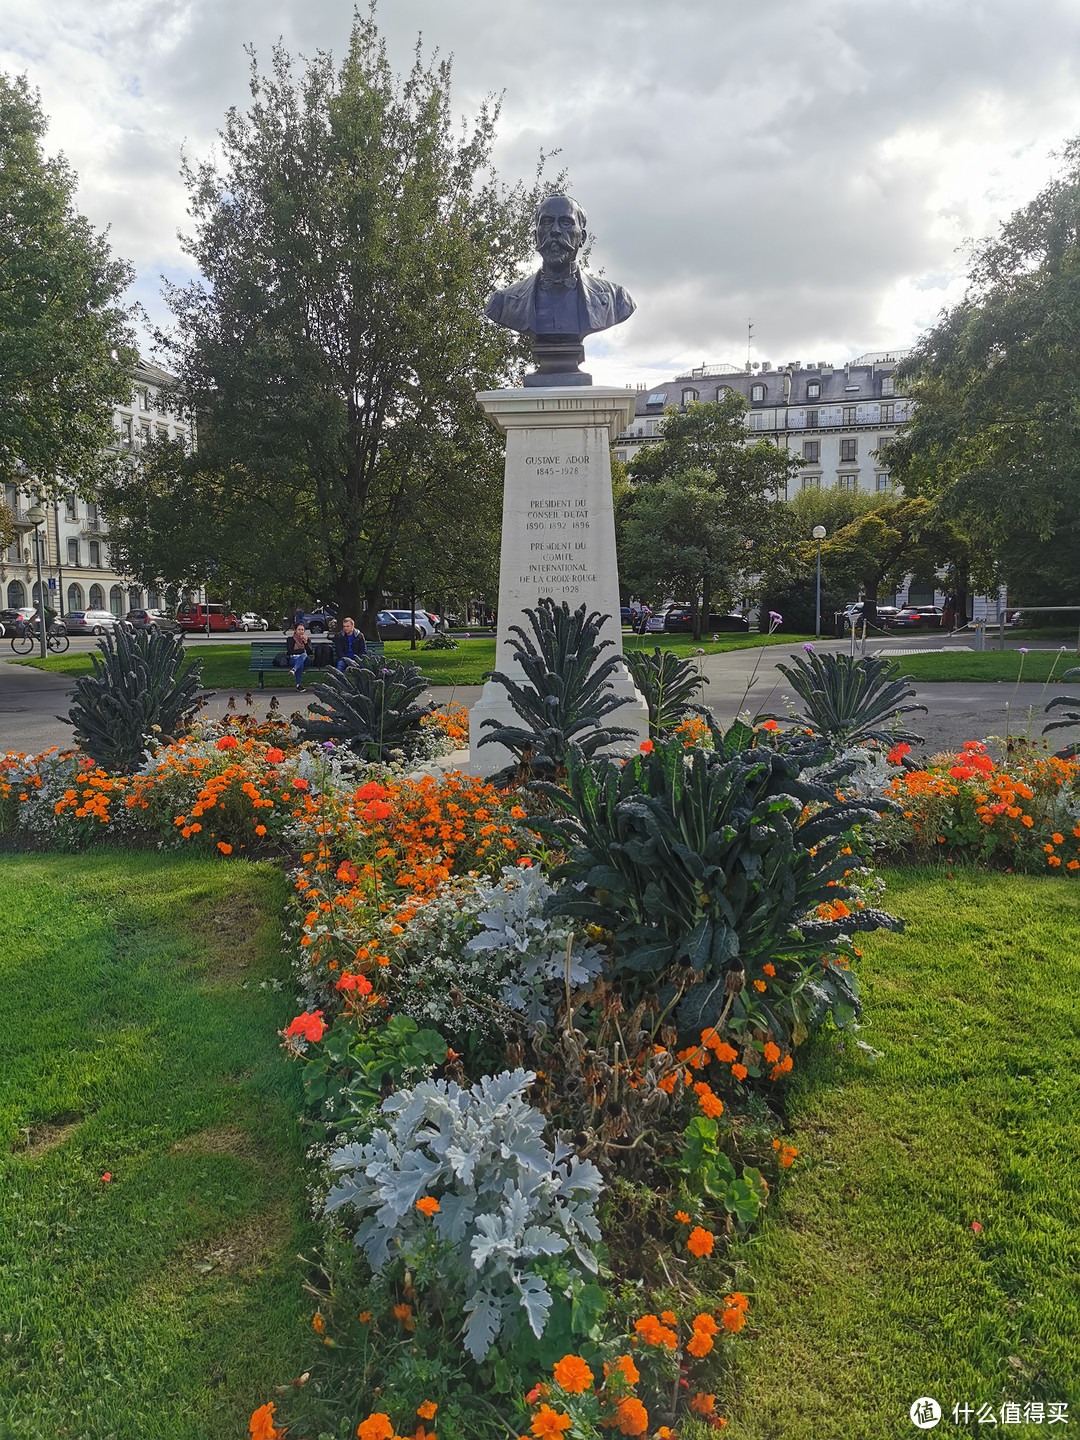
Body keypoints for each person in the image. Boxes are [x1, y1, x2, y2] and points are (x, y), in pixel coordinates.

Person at [285, 624, 313, 689]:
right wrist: (302, 651)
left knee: (304, 655)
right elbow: (290, 651)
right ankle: (298, 685)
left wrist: (305, 642)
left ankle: (294, 669)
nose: (301, 631)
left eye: (302, 630)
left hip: (306, 659)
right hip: (294, 659)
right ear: (295, 630)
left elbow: (310, 652)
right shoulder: (290, 639)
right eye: (299, 629)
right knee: (300, 663)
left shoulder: (307, 639)